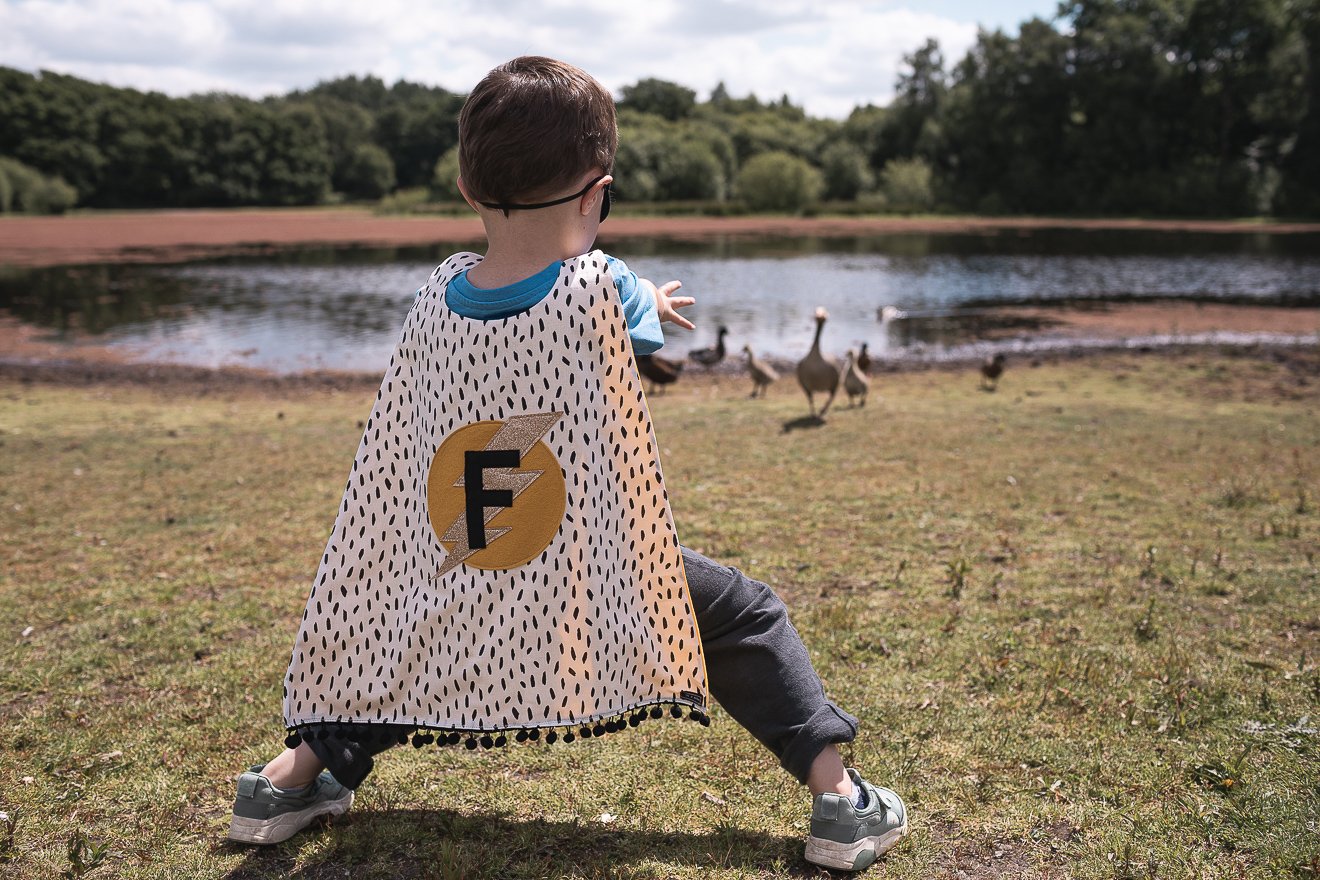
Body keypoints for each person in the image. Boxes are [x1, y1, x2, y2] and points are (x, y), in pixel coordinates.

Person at [227, 55, 907, 873]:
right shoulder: (602, 284)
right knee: (746, 614)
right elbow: (633, 336)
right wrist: (647, 301)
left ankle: (285, 781)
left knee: (407, 632)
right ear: (597, 193)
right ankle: (839, 802)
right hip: (588, 566)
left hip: (469, 547)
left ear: (467, 192)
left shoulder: (434, 294)